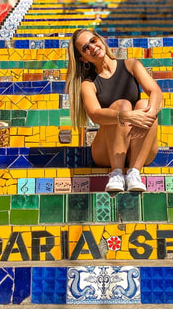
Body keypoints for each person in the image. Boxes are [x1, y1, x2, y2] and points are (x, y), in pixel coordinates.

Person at [66, 29, 163, 192]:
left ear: (100, 40)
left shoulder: (131, 65)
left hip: (138, 147)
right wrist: (126, 116)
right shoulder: (88, 84)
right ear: (83, 58)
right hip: (107, 152)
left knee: (145, 104)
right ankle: (116, 173)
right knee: (122, 105)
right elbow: (95, 114)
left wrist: (147, 115)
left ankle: (134, 172)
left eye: (93, 40)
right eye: (85, 48)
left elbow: (155, 91)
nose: (92, 47)